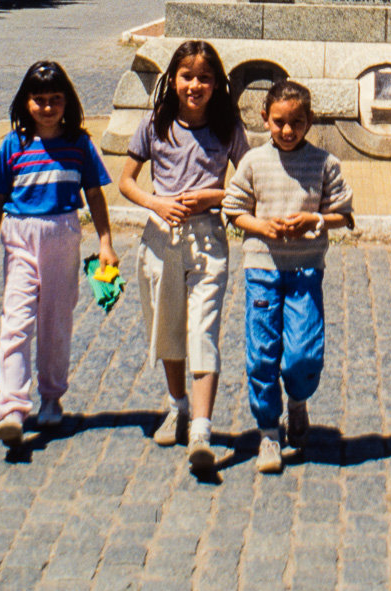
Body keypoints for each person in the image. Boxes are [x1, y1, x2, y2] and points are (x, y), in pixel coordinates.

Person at [118, 39, 248, 473]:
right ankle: (178, 407)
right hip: (160, 237)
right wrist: (155, 203)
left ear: (217, 84)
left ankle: (203, 429)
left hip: (208, 239)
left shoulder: (228, 128)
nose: (195, 85)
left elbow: (249, 183)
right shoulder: (155, 124)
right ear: (172, 80)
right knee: (167, 326)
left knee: (203, 331)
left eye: (205, 78)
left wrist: (213, 195)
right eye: (187, 76)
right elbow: (127, 181)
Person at [0, 60, 117, 446]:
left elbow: (95, 194)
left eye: (55, 99)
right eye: (38, 100)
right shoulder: (14, 145)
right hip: (20, 236)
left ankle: (52, 396)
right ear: (25, 102)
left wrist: (105, 241)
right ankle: (11, 406)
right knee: (17, 319)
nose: (47, 107)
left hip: (63, 233)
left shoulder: (79, 144)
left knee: (56, 320)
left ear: (67, 101)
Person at [222, 80, 353, 475]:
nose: (287, 130)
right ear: (265, 119)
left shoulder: (325, 163)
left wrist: (314, 219)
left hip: (306, 271)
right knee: (262, 353)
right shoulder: (253, 162)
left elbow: (343, 214)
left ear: (309, 120)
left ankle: (298, 400)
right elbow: (234, 208)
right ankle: (268, 432)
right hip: (262, 270)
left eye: (297, 122)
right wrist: (261, 227)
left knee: (303, 353)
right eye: (279, 122)